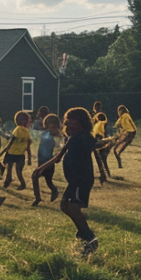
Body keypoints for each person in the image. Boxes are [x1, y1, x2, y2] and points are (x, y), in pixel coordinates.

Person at [35, 107, 99, 254]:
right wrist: (41, 168)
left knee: (73, 206)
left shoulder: (83, 137)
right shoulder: (73, 138)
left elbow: (93, 144)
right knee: (64, 205)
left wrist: (107, 142)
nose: (67, 126)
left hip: (81, 179)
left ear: (81, 124)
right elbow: (58, 158)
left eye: (71, 123)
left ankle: (89, 237)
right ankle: (82, 232)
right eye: (66, 123)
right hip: (74, 180)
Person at [31, 114, 62, 206]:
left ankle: (40, 197)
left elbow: (59, 148)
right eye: (50, 125)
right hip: (42, 162)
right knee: (43, 179)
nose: (51, 128)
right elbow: (34, 135)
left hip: (48, 163)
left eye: (54, 126)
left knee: (39, 178)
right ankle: (49, 193)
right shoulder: (44, 134)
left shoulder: (56, 138)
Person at [2, 110, 33, 189]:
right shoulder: (26, 132)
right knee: (16, 171)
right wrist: (29, 158)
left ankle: (19, 183)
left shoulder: (17, 130)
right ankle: (9, 180)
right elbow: (28, 146)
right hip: (19, 154)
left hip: (12, 153)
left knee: (11, 168)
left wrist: (5, 149)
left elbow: (11, 141)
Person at [91, 110, 112, 184]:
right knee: (103, 160)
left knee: (100, 159)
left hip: (98, 141)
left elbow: (97, 134)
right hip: (100, 141)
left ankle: (104, 175)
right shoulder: (100, 124)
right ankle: (105, 174)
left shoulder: (100, 123)